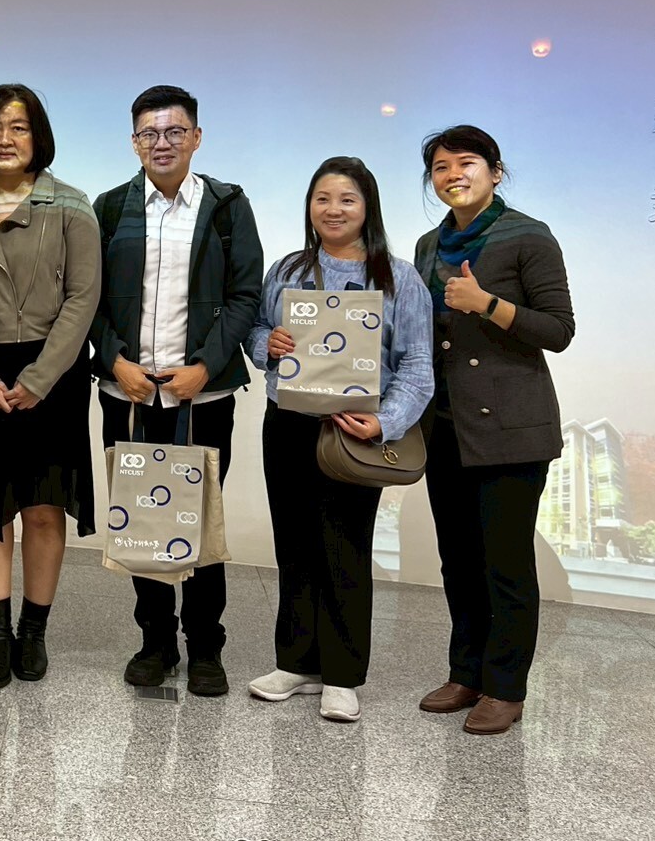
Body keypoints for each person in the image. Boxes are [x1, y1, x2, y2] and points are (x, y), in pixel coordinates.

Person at [245, 156, 433, 722]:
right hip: (288, 422)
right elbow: (256, 331)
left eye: (347, 199)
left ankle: (343, 675)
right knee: (293, 543)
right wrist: (269, 344)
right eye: (322, 198)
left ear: (368, 207)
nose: (333, 210)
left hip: (353, 431)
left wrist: (386, 422)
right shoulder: (288, 269)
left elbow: (417, 364)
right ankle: (296, 662)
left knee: (344, 547)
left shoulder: (398, 277)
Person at [89, 85, 262, 697]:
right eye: (149, 133)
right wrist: (114, 359)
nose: (161, 143)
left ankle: (206, 646)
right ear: (134, 141)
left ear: (196, 137)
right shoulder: (111, 208)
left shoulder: (226, 206)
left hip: (202, 398)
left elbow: (245, 296)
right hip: (129, 395)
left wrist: (206, 367)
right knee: (141, 516)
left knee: (200, 518)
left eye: (174, 131)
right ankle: (155, 642)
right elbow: (87, 297)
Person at [414, 126, 574, 734]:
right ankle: (467, 672)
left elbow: (559, 329)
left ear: (495, 171)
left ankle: (505, 687)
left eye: (466, 162)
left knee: (505, 565)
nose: (453, 174)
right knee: (458, 561)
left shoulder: (529, 235)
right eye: (440, 166)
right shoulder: (429, 244)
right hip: (446, 427)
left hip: (511, 430)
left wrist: (487, 304)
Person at [0, 84, 100, 688]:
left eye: (19, 127)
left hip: (53, 374)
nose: (5, 139)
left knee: (42, 507)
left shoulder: (73, 206)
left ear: (39, 137)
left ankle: (34, 631)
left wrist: (38, 379)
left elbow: (83, 300)